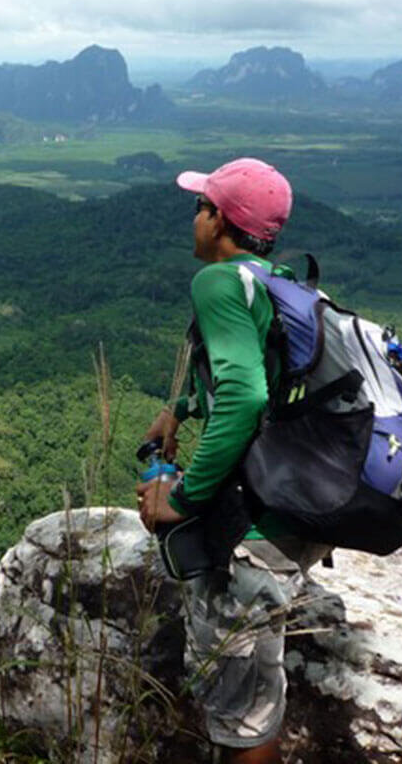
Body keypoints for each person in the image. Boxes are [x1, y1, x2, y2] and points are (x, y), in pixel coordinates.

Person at [136, 157, 330, 764]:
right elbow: (266, 375)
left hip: (254, 531)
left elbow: (246, 397)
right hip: (296, 511)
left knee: (241, 716)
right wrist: (182, 406)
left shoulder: (217, 283)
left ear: (220, 221)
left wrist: (183, 500)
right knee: (253, 695)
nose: (194, 217)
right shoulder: (280, 282)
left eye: (201, 207)